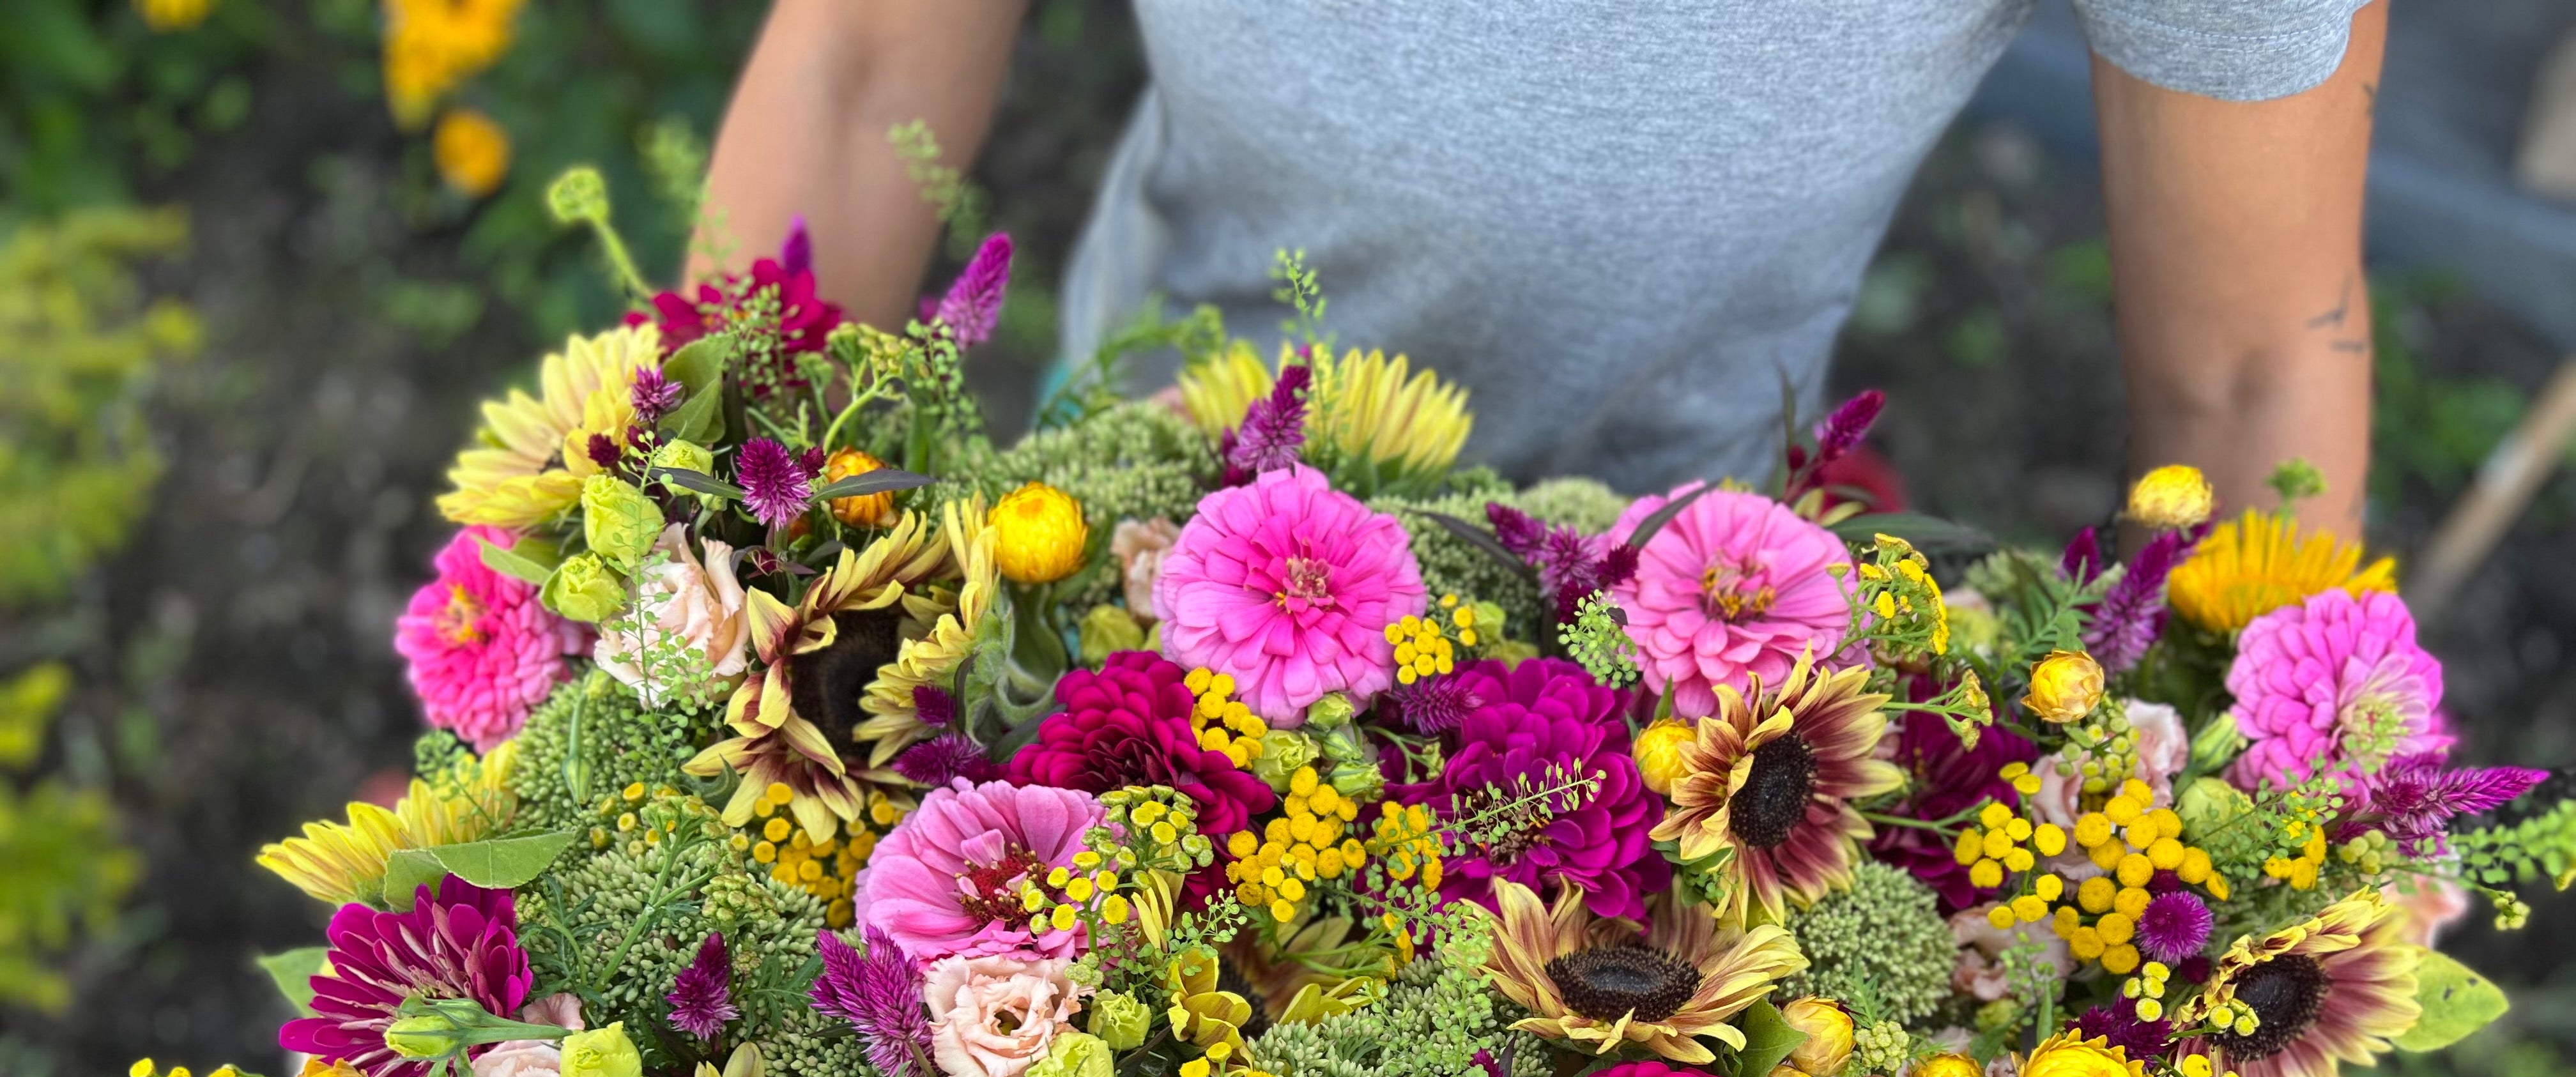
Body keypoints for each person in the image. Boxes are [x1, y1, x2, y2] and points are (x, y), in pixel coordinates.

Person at [697, 1, 2385, 535]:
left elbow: (2255, 367)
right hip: (1115, 520)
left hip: (1682, 676)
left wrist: (2237, 925)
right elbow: (862, 68)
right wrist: (676, 552)